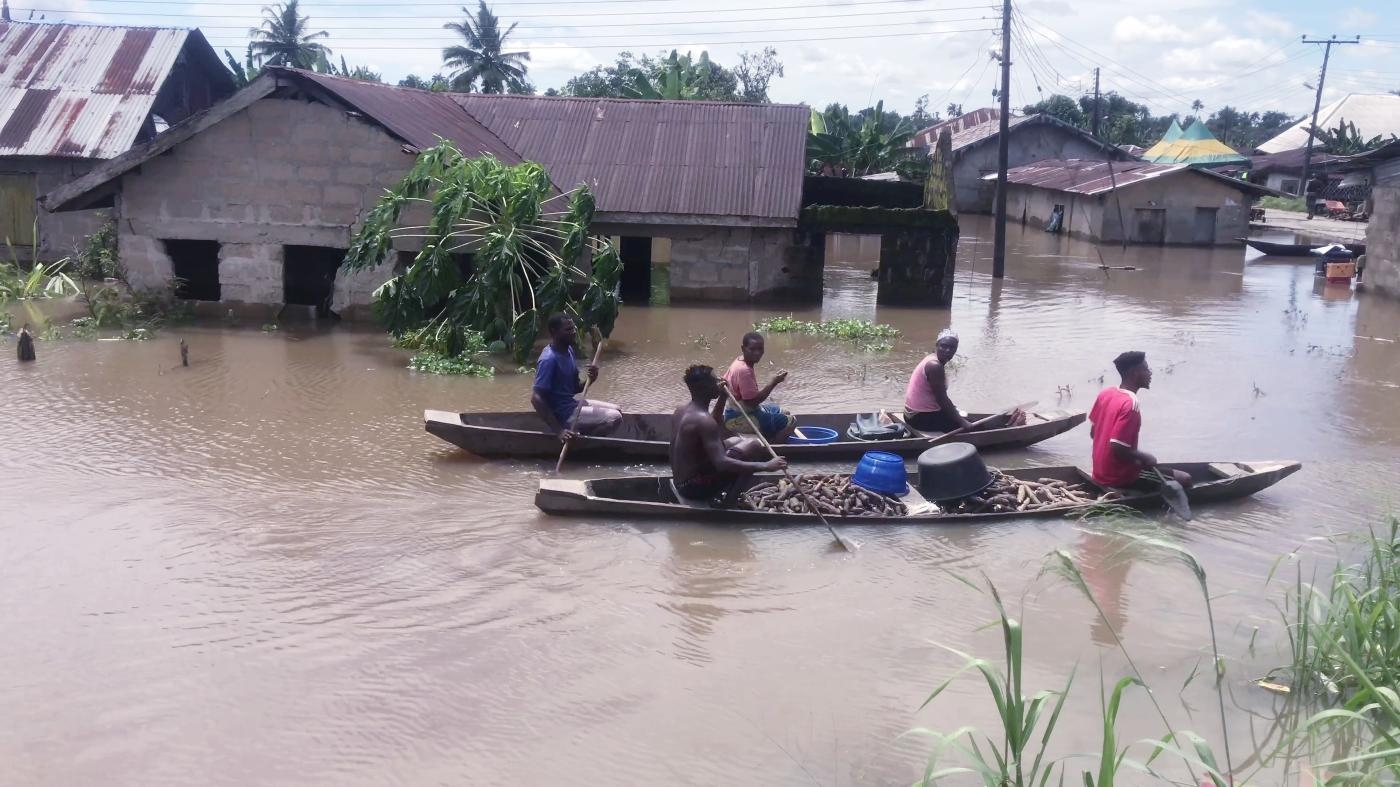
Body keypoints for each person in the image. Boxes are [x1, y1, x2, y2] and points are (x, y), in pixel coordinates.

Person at [671, 364, 786, 504]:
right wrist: (766, 466)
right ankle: (729, 503)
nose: (720, 380)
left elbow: (714, 422)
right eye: (714, 380)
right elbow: (721, 464)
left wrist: (723, 396)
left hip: (682, 480)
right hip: (694, 488)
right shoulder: (703, 420)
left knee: (736, 440)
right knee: (754, 448)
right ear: (705, 388)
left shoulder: (682, 410)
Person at [1089, 351, 1191, 490]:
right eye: (1146, 369)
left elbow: (1093, 433)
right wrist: (1146, 457)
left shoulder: (1106, 393)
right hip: (1119, 478)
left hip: (1098, 473)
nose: (1150, 373)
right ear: (1135, 373)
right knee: (1185, 479)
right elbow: (1118, 447)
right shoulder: (1131, 404)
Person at [531, 314, 622, 441]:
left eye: (573, 328)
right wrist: (559, 431)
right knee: (614, 417)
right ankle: (585, 445)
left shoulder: (568, 350)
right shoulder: (549, 359)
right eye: (568, 330)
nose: (574, 332)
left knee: (617, 409)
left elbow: (574, 388)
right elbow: (536, 399)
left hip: (571, 404)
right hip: (562, 415)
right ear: (554, 332)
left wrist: (591, 379)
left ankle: (583, 433)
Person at [722, 332, 797, 443]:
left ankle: (769, 436)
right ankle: (775, 448)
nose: (757, 353)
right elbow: (752, 402)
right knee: (791, 421)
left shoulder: (740, 361)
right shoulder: (744, 371)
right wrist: (773, 382)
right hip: (739, 417)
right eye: (752, 349)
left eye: (760, 349)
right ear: (743, 348)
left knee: (784, 411)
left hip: (736, 411)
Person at [904, 328, 974, 433]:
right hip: (919, 419)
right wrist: (963, 422)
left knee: (968, 419)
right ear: (937, 346)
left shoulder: (932, 359)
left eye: (952, 347)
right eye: (944, 346)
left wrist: (954, 411)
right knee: (977, 426)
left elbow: (940, 396)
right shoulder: (934, 366)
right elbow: (941, 398)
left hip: (911, 414)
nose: (947, 350)